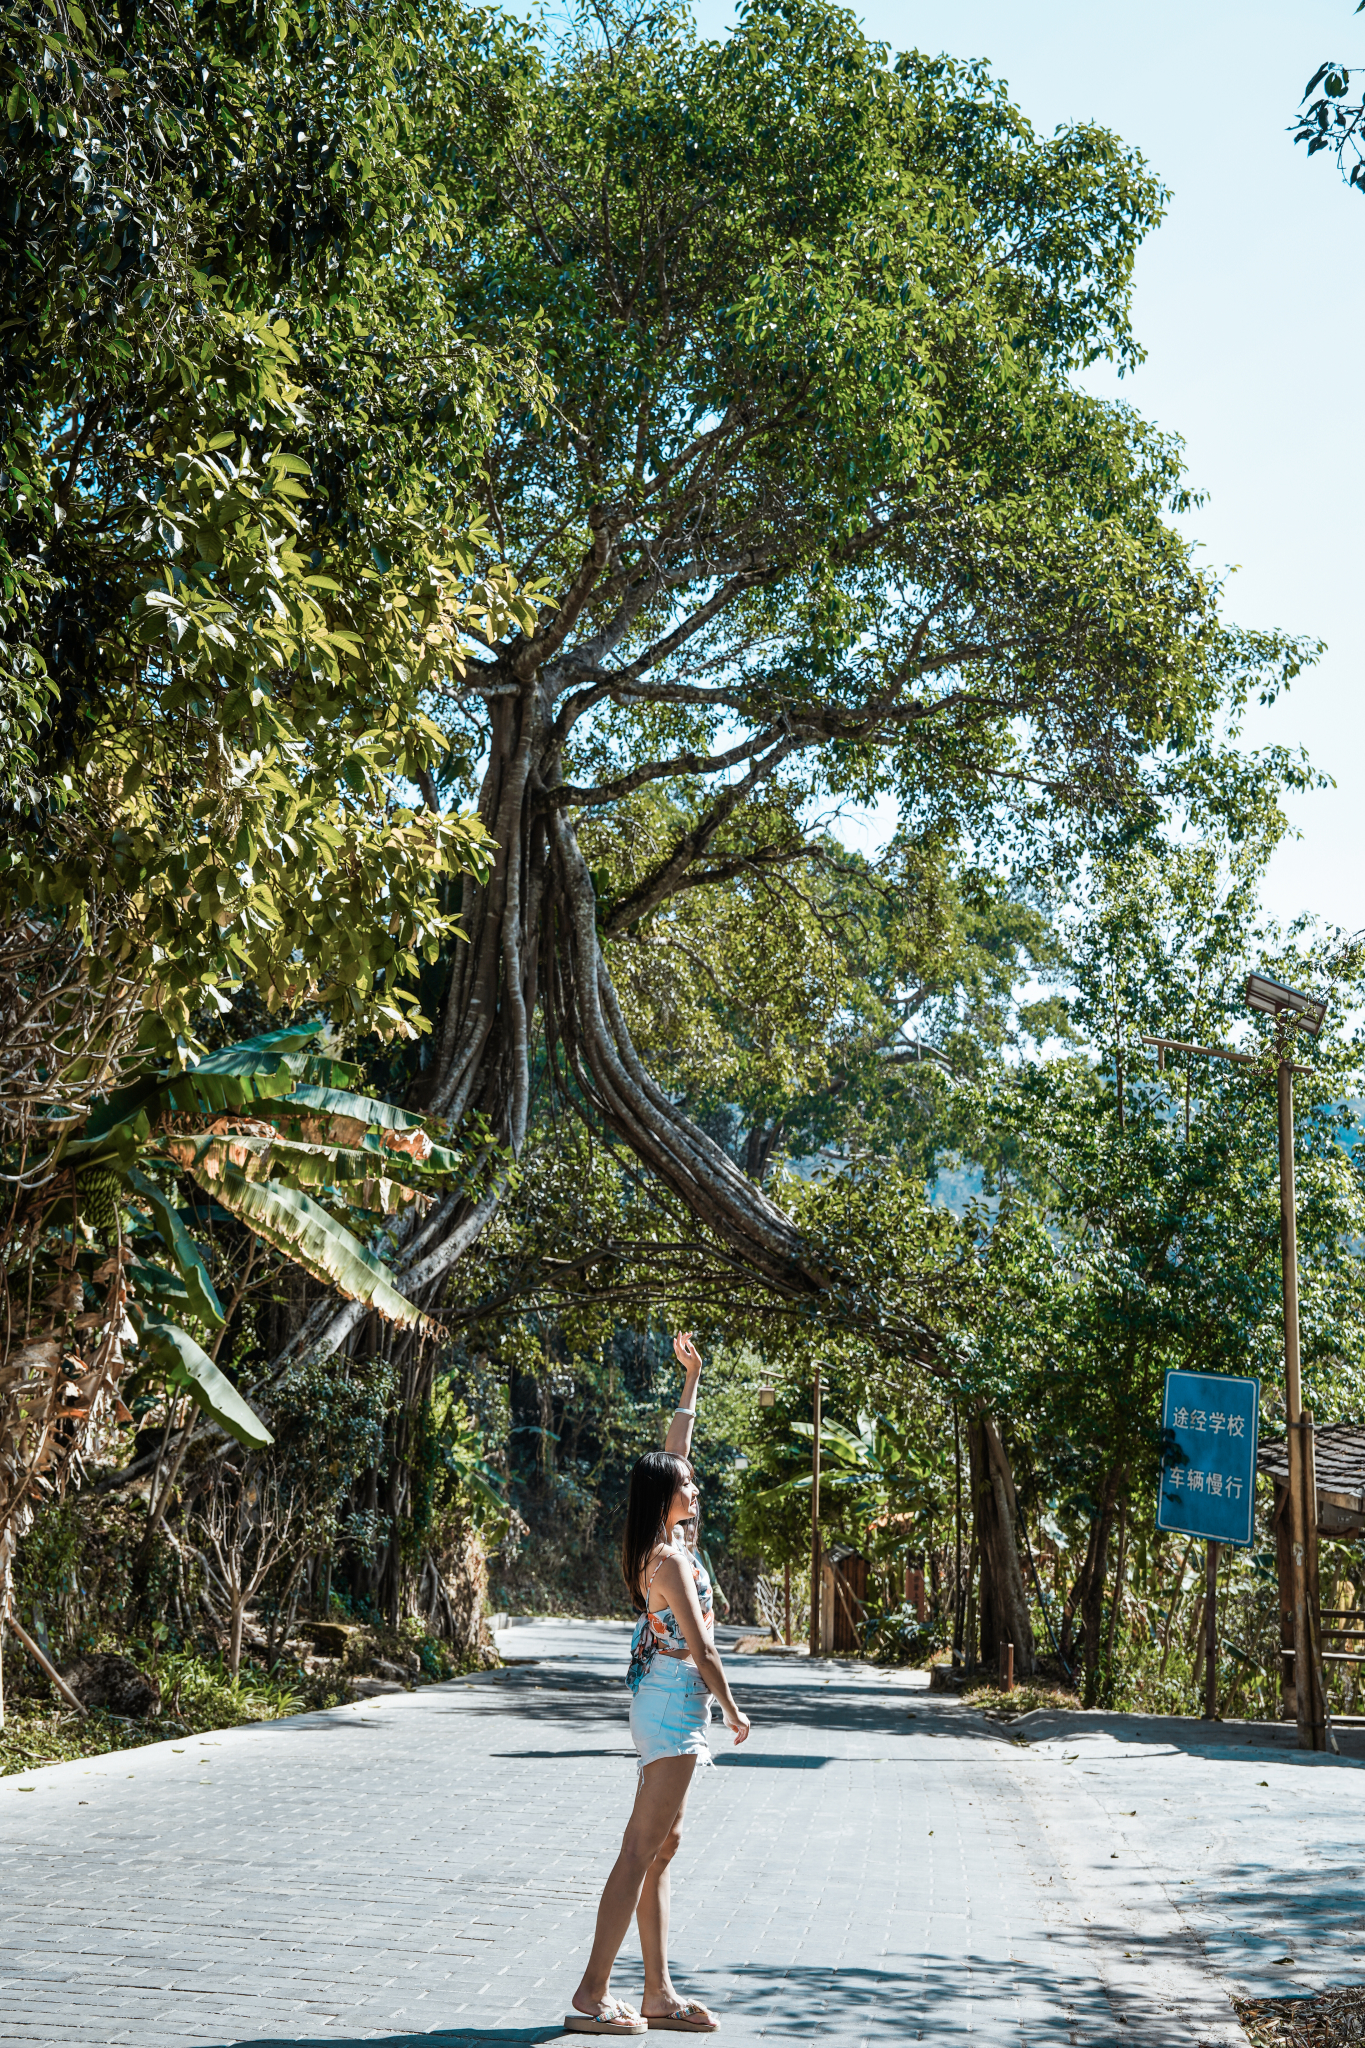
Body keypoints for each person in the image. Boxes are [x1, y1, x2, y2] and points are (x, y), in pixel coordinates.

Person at [566, 1334, 751, 2036]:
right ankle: (591, 1993)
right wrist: (733, 1707)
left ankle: (657, 1992)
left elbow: (674, 1449)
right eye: (687, 1483)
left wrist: (692, 1380)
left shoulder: (664, 1538)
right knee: (639, 1847)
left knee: (661, 1846)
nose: (695, 1486)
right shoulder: (669, 1558)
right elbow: (702, 1648)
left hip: (669, 1699)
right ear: (663, 1495)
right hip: (675, 1701)